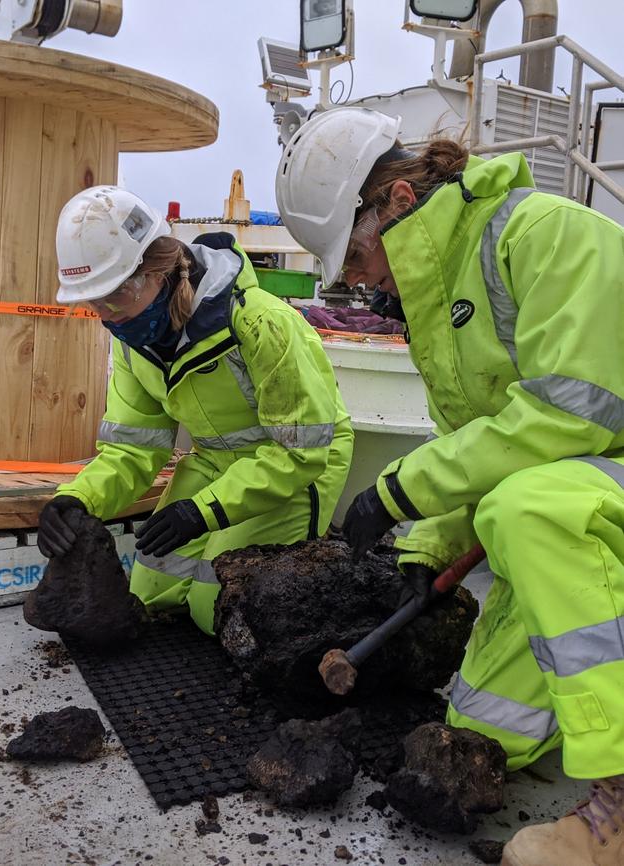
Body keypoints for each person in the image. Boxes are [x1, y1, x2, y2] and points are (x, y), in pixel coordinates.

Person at [276, 107, 624, 866]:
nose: (359, 281)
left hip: (590, 496)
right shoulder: (441, 300)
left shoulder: (550, 235)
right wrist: (425, 548)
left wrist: (397, 493)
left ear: (397, 202)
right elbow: (480, 448)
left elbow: (566, 421)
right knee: (482, 736)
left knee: (526, 506)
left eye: (356, 259)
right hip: (590, 505)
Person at [37, 185, 353, 636]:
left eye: (115, 295)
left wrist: (202, 512)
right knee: (150, 593)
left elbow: (302, 454)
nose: (109, 315)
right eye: (95, 304)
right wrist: (76, 499)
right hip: (217, 463)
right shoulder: (135, 345)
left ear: (158, 271)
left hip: (295, 468)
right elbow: (132, 450)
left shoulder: (260, 324)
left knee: (216, 607)